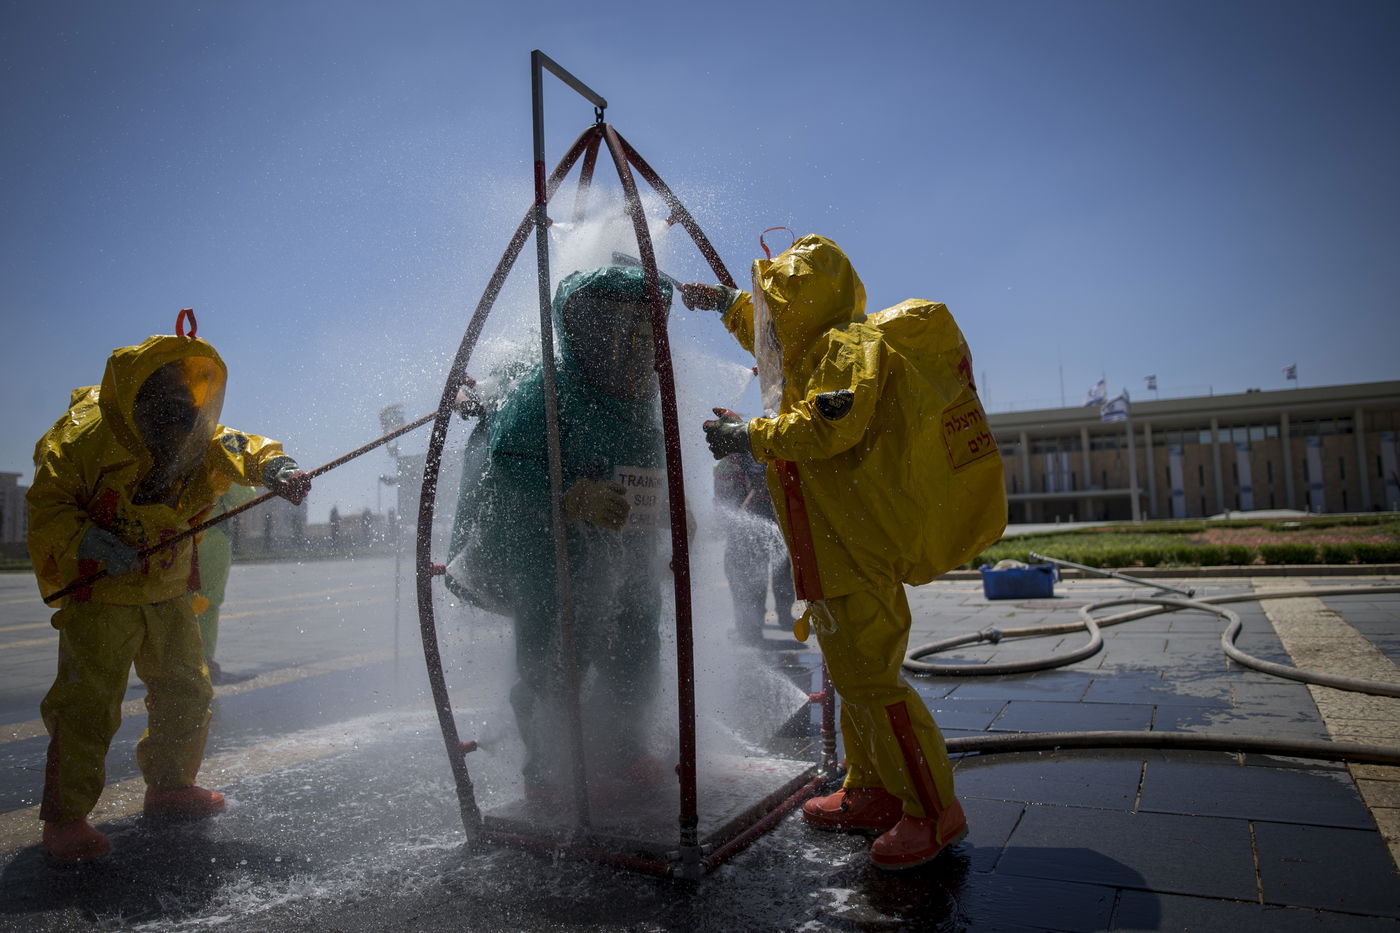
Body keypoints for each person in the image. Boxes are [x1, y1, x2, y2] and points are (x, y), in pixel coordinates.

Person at [683, 235, 1005, 869]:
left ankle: (933, 811)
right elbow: (774, 348)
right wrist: (726, 304)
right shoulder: (810, 350)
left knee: (874, 684)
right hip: (831, 551)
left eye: (777, 303)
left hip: (855, 552)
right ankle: (872, 790)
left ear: (805, 303)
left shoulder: (844, 348)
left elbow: (831, 425)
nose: (769, 319)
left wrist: (748, 433)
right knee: (852, 680)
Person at [27, 319, 312, 861]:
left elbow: (239, 446)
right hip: (102, 595)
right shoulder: (82, 442)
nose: (176, 424)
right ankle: (65, 819)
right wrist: (90, 540)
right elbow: (48, 506)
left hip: (167, 589)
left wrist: (277, 466)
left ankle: (169, 786)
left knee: (187, 689)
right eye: (164, 410)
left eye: (186, 409)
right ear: (135, 405)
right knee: (87, 706)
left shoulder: (194, 434)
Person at [445, 266, 672, 800]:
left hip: (628, 546)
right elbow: (507, 461)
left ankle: (625, 743)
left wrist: (667, 513)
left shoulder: (641, 402)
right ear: (576, 327)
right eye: (605, 325)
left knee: (638, 639)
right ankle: (544, 762)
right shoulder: (548, 388)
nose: (621, 339)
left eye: (635, 325)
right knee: (556, 650)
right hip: (551, 551)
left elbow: (655, 468)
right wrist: (569, 493)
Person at [712, 447, 795, 645]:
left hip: (756, 522)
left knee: (751, 577)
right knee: (753, 576)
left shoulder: (743, 456)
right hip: (755, 522)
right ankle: (755, 626)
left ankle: (753, 629)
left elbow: (759, 486)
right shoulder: (729, 461)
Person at [193, 482, 258, 684]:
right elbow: (244, 496)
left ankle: (183, 661)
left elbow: (244, 496)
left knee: (174, 602)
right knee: (205, 604)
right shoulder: (220, 453)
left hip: (186, 538)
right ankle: (199, 661)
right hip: (208, 538)